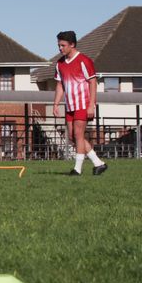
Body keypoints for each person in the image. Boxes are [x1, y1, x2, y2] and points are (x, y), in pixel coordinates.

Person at [53, 30, 108, 175]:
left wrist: (91, 105)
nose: (60, 48)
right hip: (69, 105)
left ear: (72, 44)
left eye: (63, 45)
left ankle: (77, 169)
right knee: (72, 136)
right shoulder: (59, 64)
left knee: (78, 135)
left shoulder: (84, 60)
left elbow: (92, 82)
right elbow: (60, 85)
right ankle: (98, 163)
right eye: (58, 45)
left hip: (83, 104)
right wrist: (56, 103)